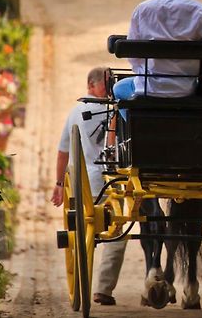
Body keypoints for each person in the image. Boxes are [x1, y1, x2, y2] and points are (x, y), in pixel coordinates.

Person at [50, 67, 127, 306]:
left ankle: (97, 286)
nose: (109, 87)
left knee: (95, 233)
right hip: (108, 184)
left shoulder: (75, 112)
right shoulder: (116, 110)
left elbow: (63, 151)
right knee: (117, 234)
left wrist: (60, 183)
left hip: (82, 187)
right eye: (106, 83)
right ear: (91, 86)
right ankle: (103, 287)